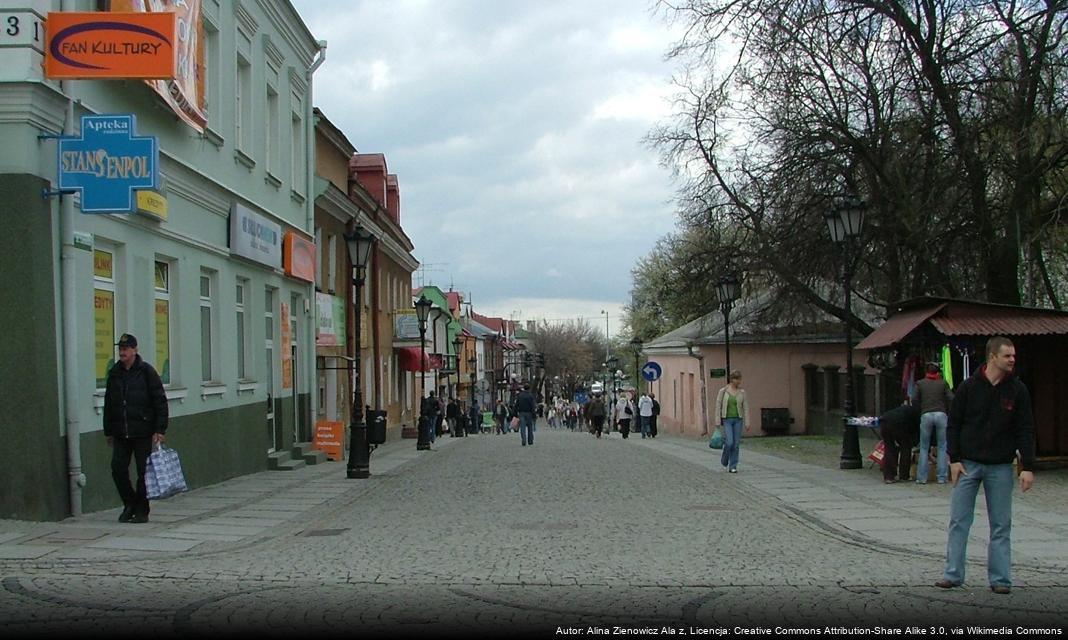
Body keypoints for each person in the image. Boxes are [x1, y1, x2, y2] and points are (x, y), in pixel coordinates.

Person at [936, 337, 1035, 595]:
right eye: (1007, 356)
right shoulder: (969, 387)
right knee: (959, 520)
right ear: (992, 357)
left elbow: (1025, 428)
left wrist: (1027, 465)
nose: (1012, 359)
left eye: (1013, 355)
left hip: (1001, 465)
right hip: (968, 463)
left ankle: (1001, 579)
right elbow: (954, 424)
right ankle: (953, 574)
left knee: (1001, 523)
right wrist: (954, 459)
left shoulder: (1018, 390)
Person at [103, 334, 167, 524]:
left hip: (142, 430)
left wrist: (160, 429)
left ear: (135, 350)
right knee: (117, 468)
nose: (122, 352)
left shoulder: (147, 372)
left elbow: (160, 401)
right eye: (120, 349)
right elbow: (109, 403)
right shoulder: (114, 373)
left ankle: (142, 510)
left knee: (143, 472)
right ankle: (129, 503)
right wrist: (108, 430)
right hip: (121, 431)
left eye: (126, 348)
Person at [914, 362, 953, 484]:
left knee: (924, 447)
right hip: (941, 414)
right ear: (938, 372)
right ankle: (942, 477)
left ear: (927, 372)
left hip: (926, 415)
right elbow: (951, 398)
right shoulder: (943, 383)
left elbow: (915, 400)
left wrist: (920, 410)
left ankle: (922, 478)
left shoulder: (920, 383)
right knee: (942, 446)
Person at [714, 370, 750, 473]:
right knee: (729, 442)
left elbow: (746, 407)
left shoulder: (742, 393)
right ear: (732, 379)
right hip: (727, 419)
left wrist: (747, 422)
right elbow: (718, 405)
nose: (738, 381)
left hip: (738, 419)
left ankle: (733, 465)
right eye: (736, 379)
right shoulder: (723, 391)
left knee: (736, 444)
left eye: (739, 379)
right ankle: (724, 460)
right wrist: (717, 420)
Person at [878, 403, 920, 484]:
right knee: (906, 449)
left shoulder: (905, 409)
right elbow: (916, 429)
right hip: (900, 425)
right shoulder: (916, 413)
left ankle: (889, 476)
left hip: (884, 421)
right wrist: (914, 442)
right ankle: (904, 475)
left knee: (889, 449)